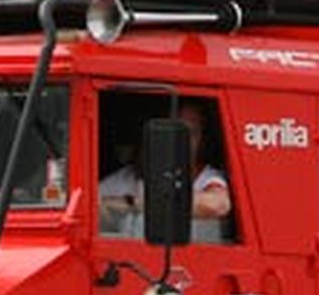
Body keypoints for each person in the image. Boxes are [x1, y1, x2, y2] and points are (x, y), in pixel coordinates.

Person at [98, 99, 231, 239]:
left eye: (190, 133)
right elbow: (91, 209)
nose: (181, 141)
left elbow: (216, 205)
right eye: (174, 132)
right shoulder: (123, 180)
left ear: (201, 141)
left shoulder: (207, 178)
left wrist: (134, 204)